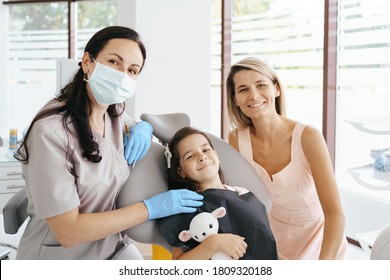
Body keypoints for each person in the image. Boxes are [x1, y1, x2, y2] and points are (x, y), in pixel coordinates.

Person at [13, 26, 203, 260]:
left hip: (112, 246)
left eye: (132, 70)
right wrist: (150, 208)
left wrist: (145, 127)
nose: (123, 75)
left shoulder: (113, 114)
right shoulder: (50, 133)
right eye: (114, 62)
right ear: (87, 62)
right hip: (64, 257)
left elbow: (133, 126)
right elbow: (68, 231)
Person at [225, 57, 349, 260]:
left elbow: (335, 215)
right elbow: (244, 203)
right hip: (274, 240)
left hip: (321, 241)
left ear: (276, 89)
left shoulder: (308, 137)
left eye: (261, 85)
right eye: (243, 89)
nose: (253, 95)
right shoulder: (236, 139)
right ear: (235, 100)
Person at [158, 127, 277, 260]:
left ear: (216, 155)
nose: (202, 157)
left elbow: (266, 244)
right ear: (181, 171)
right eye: (190, 156)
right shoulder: (188, 205)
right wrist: (212, 244)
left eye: (205, 150)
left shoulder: (245, 194)